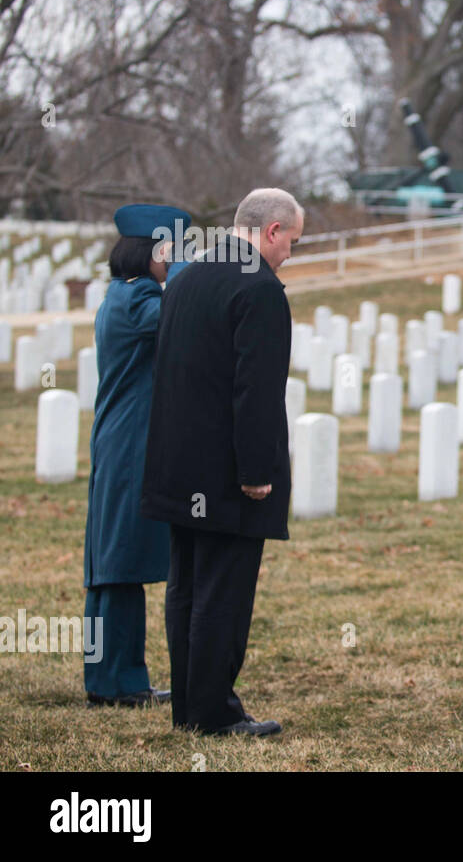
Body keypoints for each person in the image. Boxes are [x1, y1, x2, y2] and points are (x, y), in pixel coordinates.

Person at [140, 188, 302, 737]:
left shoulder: (186, 277)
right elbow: (255, 391)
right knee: (222, 594)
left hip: (180, 466)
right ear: (272, 231)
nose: (289, 257)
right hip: (227, 472)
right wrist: (258, 472)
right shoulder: (259, 289)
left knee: (185, 587)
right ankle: (212, 715)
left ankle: (187, 705)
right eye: (292, 244)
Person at [82, 204, 191, 708]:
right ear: (156, 251)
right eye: (173, 249)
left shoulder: (124, 295)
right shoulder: (138, 300)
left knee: (117, 566)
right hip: (129, 445)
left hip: (123, 439)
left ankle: (120, 678)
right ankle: (115, 683)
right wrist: (189, 268)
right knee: (118, 565)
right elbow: (181, 313)